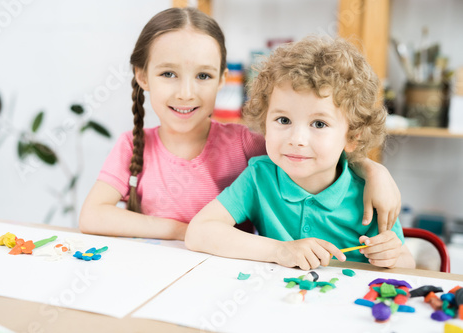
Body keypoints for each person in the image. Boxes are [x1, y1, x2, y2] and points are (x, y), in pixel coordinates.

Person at [79, 7, 401, 242]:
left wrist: (374, 171)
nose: (186, 92)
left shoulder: (244, 142)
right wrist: (181, 230)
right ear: (141, 76)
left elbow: (313, 154)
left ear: (222, 80)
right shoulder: (133, 145)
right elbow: (92, 215)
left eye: (203, 75)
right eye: (168, 73)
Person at [185, 36, 415, 270]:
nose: (296, 140)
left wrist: (392, 256)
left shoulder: (371, 192)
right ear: (265, 122)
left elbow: (408, 262)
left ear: (353, 136)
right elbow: (199, 232)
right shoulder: (259, 177)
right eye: (283, 120)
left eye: (319, 124)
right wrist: (280, 251)